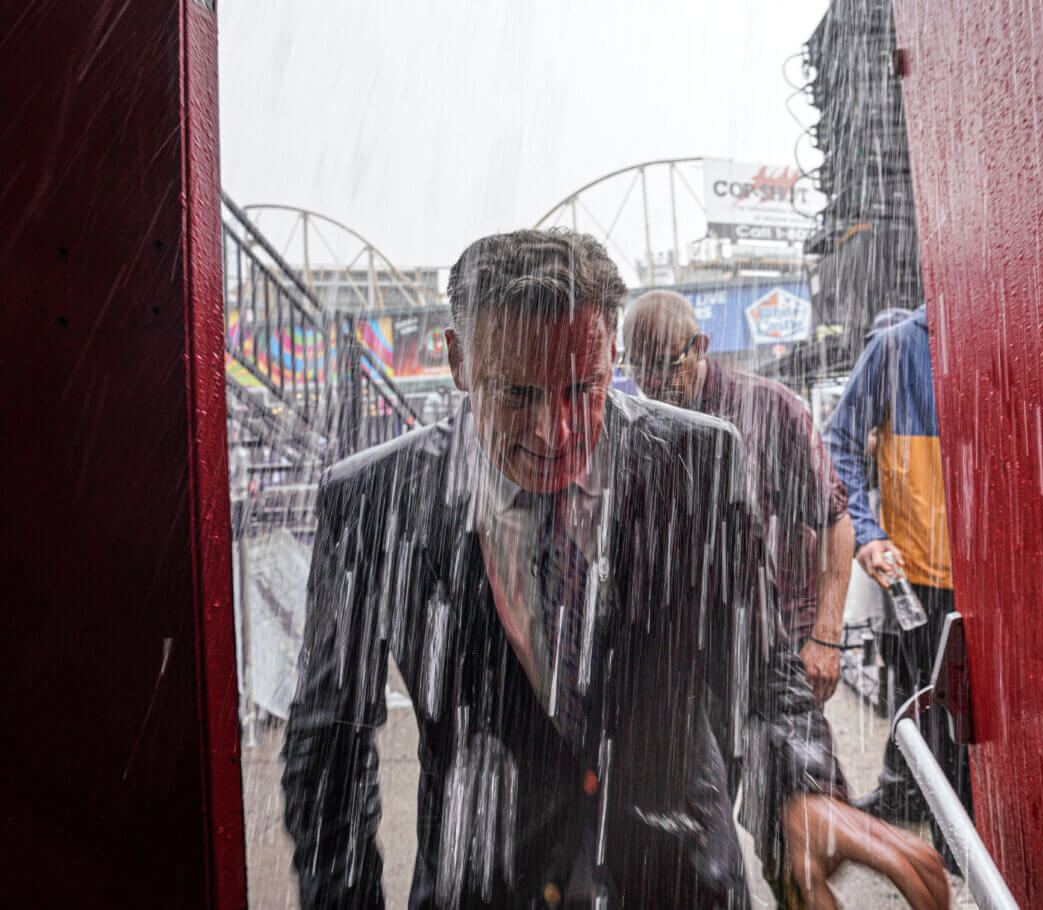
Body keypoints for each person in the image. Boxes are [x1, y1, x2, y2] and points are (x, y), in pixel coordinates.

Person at [283, 229, 949, 909]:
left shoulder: (700, 463)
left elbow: (757, 665)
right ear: (457, 361)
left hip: (681, 879)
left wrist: (802, 788)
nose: (555, 432)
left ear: (611, 359)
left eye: (583, 388)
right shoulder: (373, 501)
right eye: (515, 393)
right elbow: (327, 750)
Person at [621, 290, 854, 704]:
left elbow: (835, 522)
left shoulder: (770, 408)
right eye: (638, 368)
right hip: (691, 652)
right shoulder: (640, 427)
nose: (652, 384)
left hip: (779, 642)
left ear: (700, 346)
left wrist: (827, 637)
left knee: (800, 766)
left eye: (664, 365)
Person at [824, 304, 972, 869]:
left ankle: (940, 818)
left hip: (994, 584)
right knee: (930, 705)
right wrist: (866, 531)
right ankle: (952, 842)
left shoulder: (1006, 321)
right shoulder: (896, 347)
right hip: (924, 576)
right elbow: (839, 442)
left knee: (964, 715)